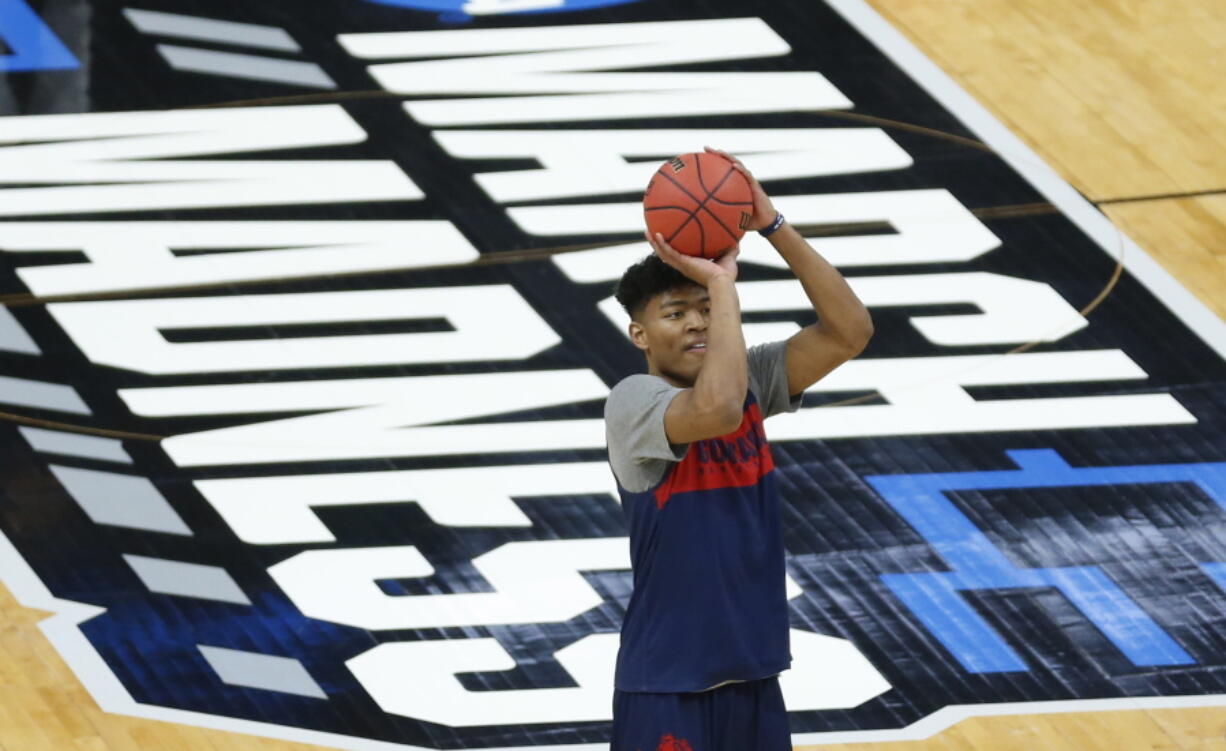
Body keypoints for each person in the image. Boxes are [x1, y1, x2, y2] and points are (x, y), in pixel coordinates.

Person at [604, 147, 874, 751]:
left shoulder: (748, 379)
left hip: (752, 674)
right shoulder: (634, 402)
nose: (698, 322)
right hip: (667, 682)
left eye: (705, 309)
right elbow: (718, 410)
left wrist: (774, 227)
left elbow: (849, 331)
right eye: (678, 313)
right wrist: (721, 285)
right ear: (640, 335)